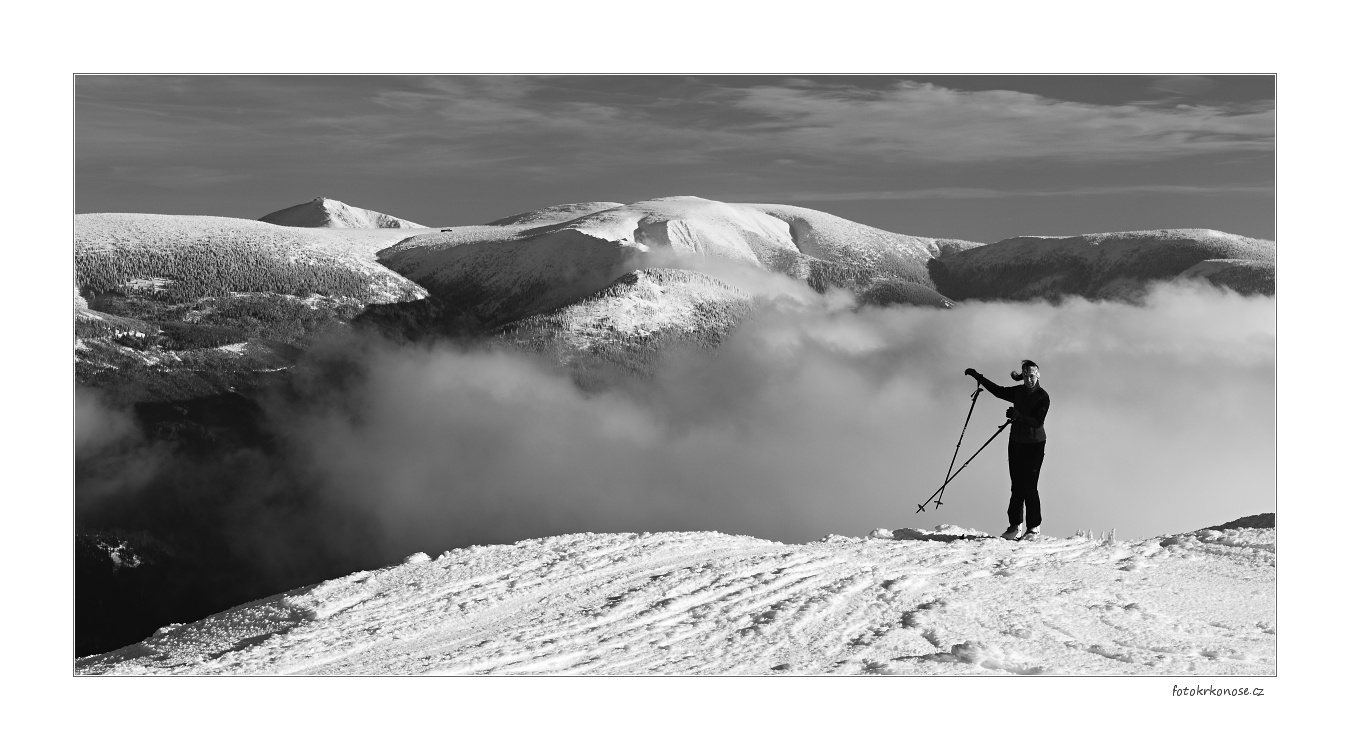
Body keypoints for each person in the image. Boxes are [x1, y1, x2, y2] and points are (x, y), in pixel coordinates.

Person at [964, 360, 1050, 540]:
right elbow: (998, 391)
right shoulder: (1018, 392)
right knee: (1016, 485)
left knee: (1030, 486)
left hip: (1034, 445)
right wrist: (978, 377)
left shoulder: (1042, 397)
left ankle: (1033, 527)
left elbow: (1037, 422)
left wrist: (1018, 415)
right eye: (1025, 376)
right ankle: (1014, 526)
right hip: (1016, 443)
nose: (1028, 379)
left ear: (1038, 375)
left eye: (1032, 376)